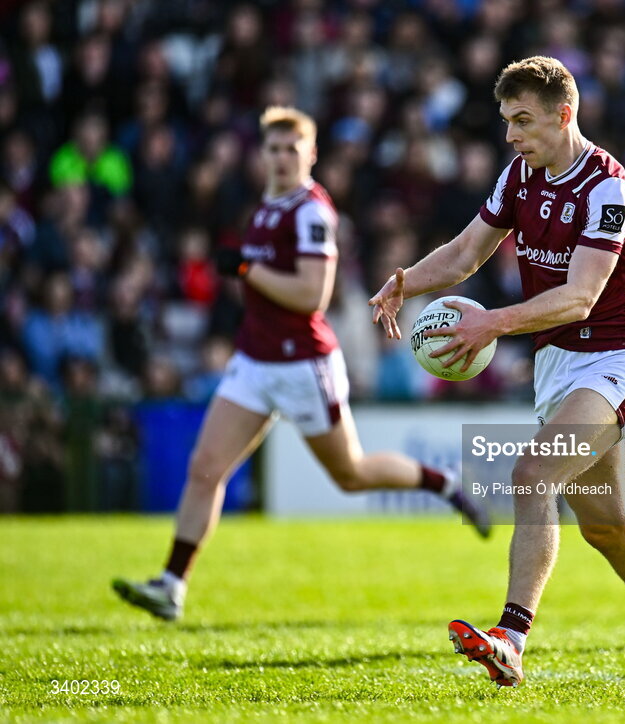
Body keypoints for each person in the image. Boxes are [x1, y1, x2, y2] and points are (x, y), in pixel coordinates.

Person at [370, 57, 625, 692]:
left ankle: (510, 637)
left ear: (565, 113)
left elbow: (580, 298)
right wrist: (404, 283)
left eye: (522, 120)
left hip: (619, 357)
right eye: (506, 121)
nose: (511, 135)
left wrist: (491, 325)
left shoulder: (609, 189)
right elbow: (466, 253)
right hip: (559, 365)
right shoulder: (519, 176)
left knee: (531, 472)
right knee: (606, 526)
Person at [112, 106, 489, 622]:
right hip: (255, 357)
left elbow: (313, 294)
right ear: (261, 155)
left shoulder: (312, 211)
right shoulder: (266, 207)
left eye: (293, 148)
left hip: (302, 363)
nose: (283, 157)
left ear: (311, 154)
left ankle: (442, 482)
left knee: (351, 474)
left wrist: (247, 268)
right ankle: (172, 585)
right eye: (274, 148)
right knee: (205, 468)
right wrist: (250, 275)